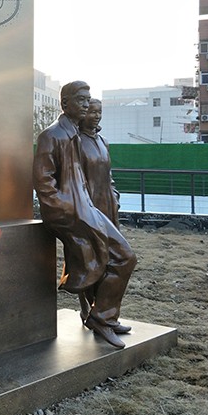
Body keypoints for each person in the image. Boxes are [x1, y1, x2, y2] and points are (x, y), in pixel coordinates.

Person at [33, 81, 136, 349]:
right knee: (123, 257)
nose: (86, 105)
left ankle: (103, 317)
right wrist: (66, 207)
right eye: (81, 100)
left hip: (86, 209)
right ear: (64, 103)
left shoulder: (79, 136)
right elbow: (43, 181)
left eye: (88, 100)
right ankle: (101, 318)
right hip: (73, 213)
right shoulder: (52, 135)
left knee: (109, 259)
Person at [77, 97, 123, 328]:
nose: (96, 116)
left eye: (99, 111)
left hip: (108, 206)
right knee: (88, 260)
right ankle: (88, 310)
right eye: (91, 111)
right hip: (87, 208)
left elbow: (108, 175)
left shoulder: (103, 141)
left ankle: (106, 314)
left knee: (112, 259)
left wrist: (114, 196)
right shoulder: (75, 141)